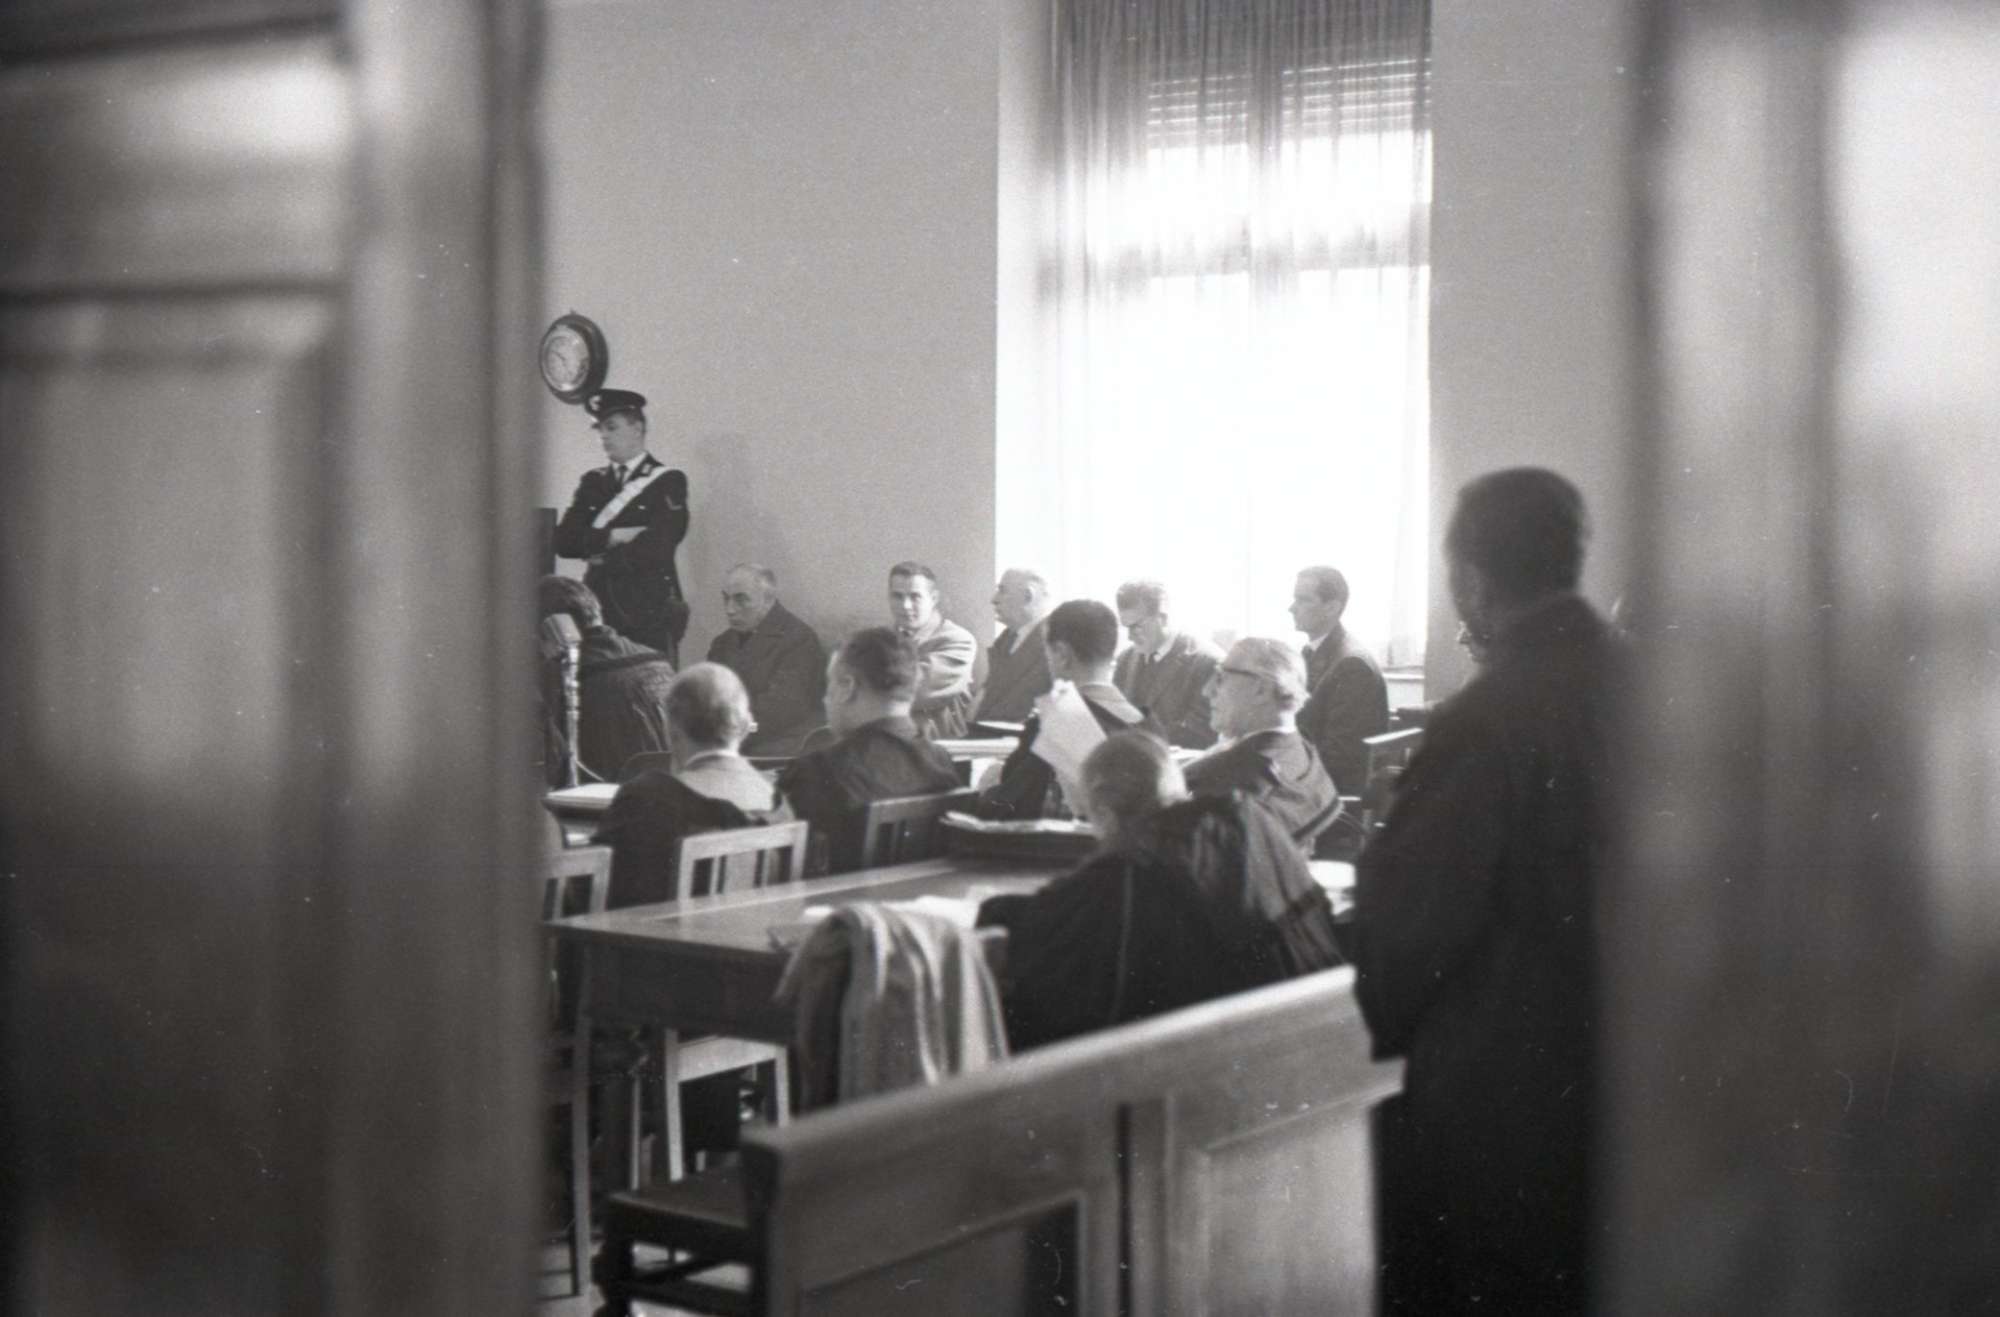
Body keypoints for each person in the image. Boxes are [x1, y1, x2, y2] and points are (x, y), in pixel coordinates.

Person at [1351, 468, 1622, 1314]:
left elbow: (1408, 927)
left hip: (1507, 1095)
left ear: (1469, 580)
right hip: (1636, 1081)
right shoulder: (1648, 683)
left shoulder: (1487, 716)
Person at [978, 732, 1342, 1051]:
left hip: (1222, 1066)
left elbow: (1048, 928)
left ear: (1102, 810)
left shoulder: (1132, 865)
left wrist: (995, 912)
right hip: (1317, 1037)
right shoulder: (1247, 820)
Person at [592, 663, 788, 908]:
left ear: (672, 730)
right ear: (744, 725)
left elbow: (593, 890)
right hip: (755, 932)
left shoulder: (648, 800)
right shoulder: (780, 804)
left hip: (658, 932)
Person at [776, 627, 961, 874]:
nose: (825, 699)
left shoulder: (820, 772)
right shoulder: (942, 762)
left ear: (847, 687)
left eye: (829, 685)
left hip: (837, 898)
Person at [973, 599, 1155, 821]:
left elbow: (1008, 813)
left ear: (1061, 654)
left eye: (1047, 652)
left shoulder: (1052, 726)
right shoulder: (1149, 726)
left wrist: (988, 789)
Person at [551, 388, 691, 662]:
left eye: (611, 427)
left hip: (646, 611)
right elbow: (564, 542)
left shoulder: (668, 481)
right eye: (600, 429)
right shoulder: (592, 482)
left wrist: (600, 554)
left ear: (636, 428)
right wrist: (612, 536)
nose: (603, 436)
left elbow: (659, 546)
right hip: (597, 611)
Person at [1181, 637, 1341, 849]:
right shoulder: (1301, 750)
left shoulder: (1231, 788)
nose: (1207, 690)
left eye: (1220, 678)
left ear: (1262, 689)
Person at [538, 575, 675, 784]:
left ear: (552, 628)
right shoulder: (659, 661)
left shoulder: (561, 675)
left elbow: (552, 765)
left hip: (605, 798)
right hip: (672, 792)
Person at [705, 563, 827, 755]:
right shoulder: (721, 644)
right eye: (726, 599)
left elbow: (781, 710)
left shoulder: (799, 639)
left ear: (768, 600)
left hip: (781, 747)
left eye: (741, 600)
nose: (730, 609)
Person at [1290, 565, 1388, 794]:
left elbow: (1340, 756)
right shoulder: (1315, 652)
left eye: (1303, 600)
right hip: (1310, 779)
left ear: (1332, 607)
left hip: (1330, 792)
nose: (1292, 608)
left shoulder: (1352, 666)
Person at [1111, 580, 1221, 749]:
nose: (1130, 637)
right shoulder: (1125, 659)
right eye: (1126, 627)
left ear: (1162, 618)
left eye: (1137, 627)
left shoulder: (1206, 661)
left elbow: (1200, 733)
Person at [887, 561, 979, 740]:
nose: (905, 605)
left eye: (915, 597)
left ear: (934, 598)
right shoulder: (882, 640)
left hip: (937, 747)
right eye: (897, 596)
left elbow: (915, 689)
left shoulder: (958, 641)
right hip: (888, 743)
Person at [971, 567, 1054, 726]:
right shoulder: (1006, 639)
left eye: (1002, 591)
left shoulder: (1054, 642)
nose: (994, 599)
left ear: (1028, 596)